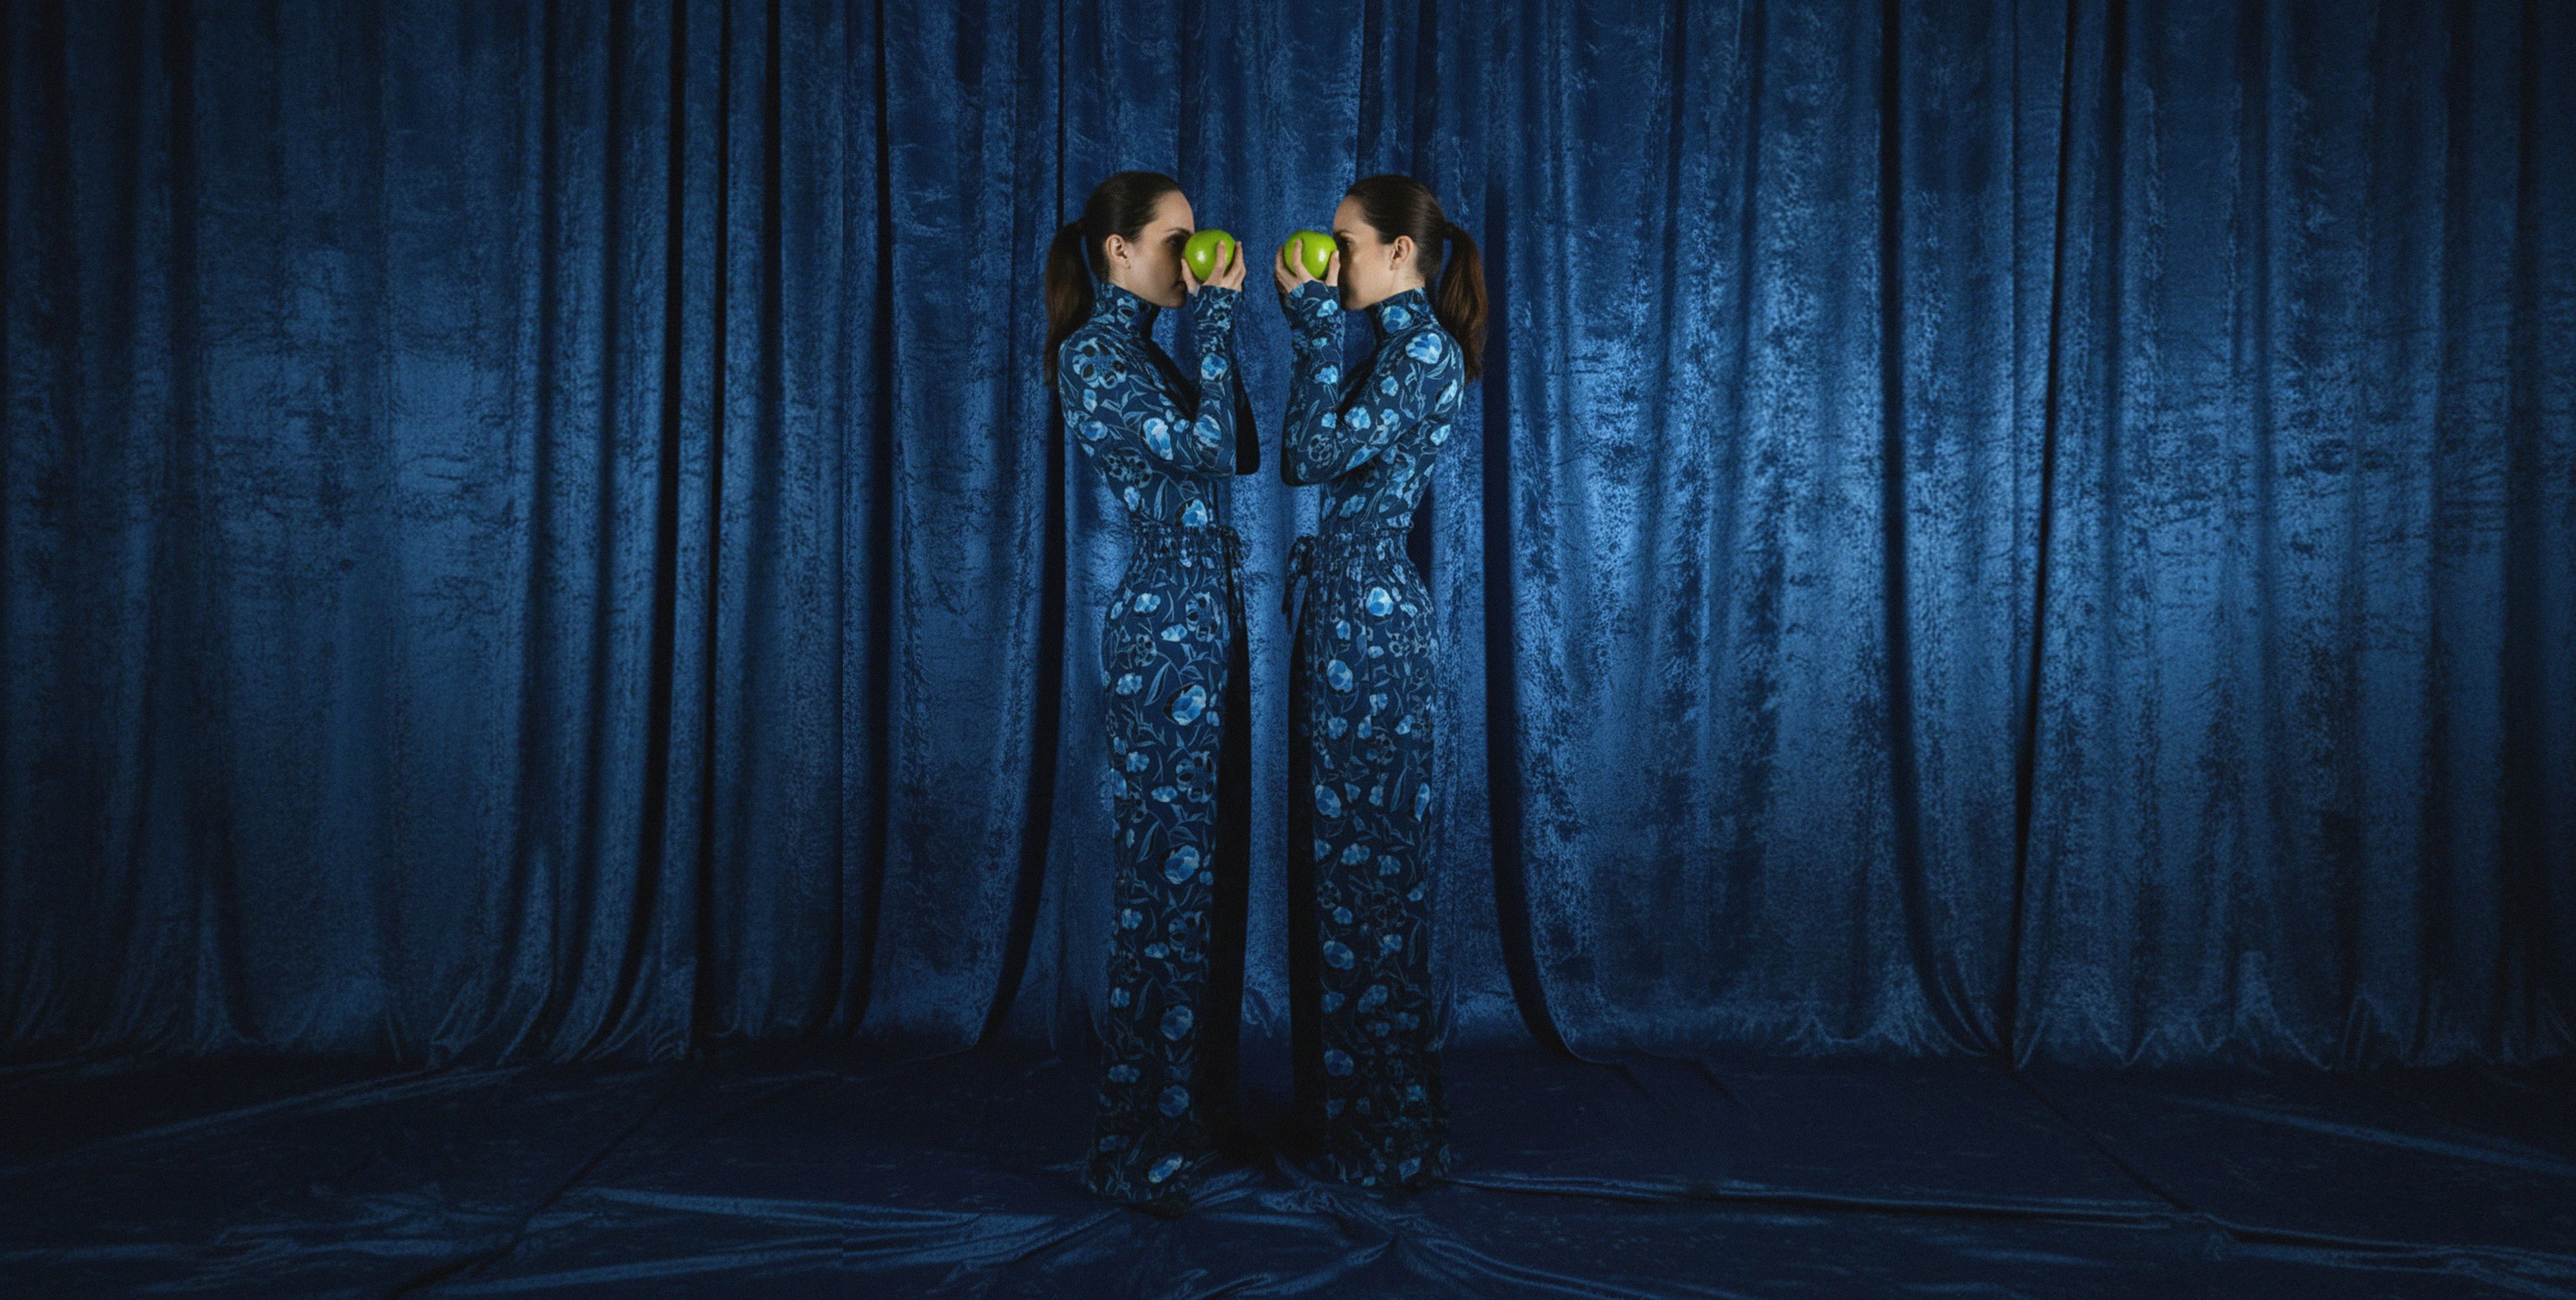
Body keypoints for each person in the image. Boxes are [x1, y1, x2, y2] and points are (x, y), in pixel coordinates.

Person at [1045, 171, 1256, 1214]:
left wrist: (1210, 331)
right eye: (1174, 242)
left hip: (1209, 620)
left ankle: (1188, 1108)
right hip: (1163, 635)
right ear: (1118, 252)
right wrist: (1215, 316)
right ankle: (1136, 1138)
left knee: (1204, 881)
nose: (1191, 259)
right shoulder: (1092, 355)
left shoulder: (1152, 354)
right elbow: (1210, 449)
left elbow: (1244, 449)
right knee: (1159, 893)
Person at [1271, 174, 1485, 1189]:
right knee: (1341, 880)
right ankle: (1351, 1119)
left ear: (1402, 253)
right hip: (1345, 619)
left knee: (1372, 885)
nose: (1331, 260)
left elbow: (1306, 455)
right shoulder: (1394, 353)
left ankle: (1386, 1133)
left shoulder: (1423, 354)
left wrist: (1310, 328)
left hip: (1374, 626)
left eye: (1345, 244)